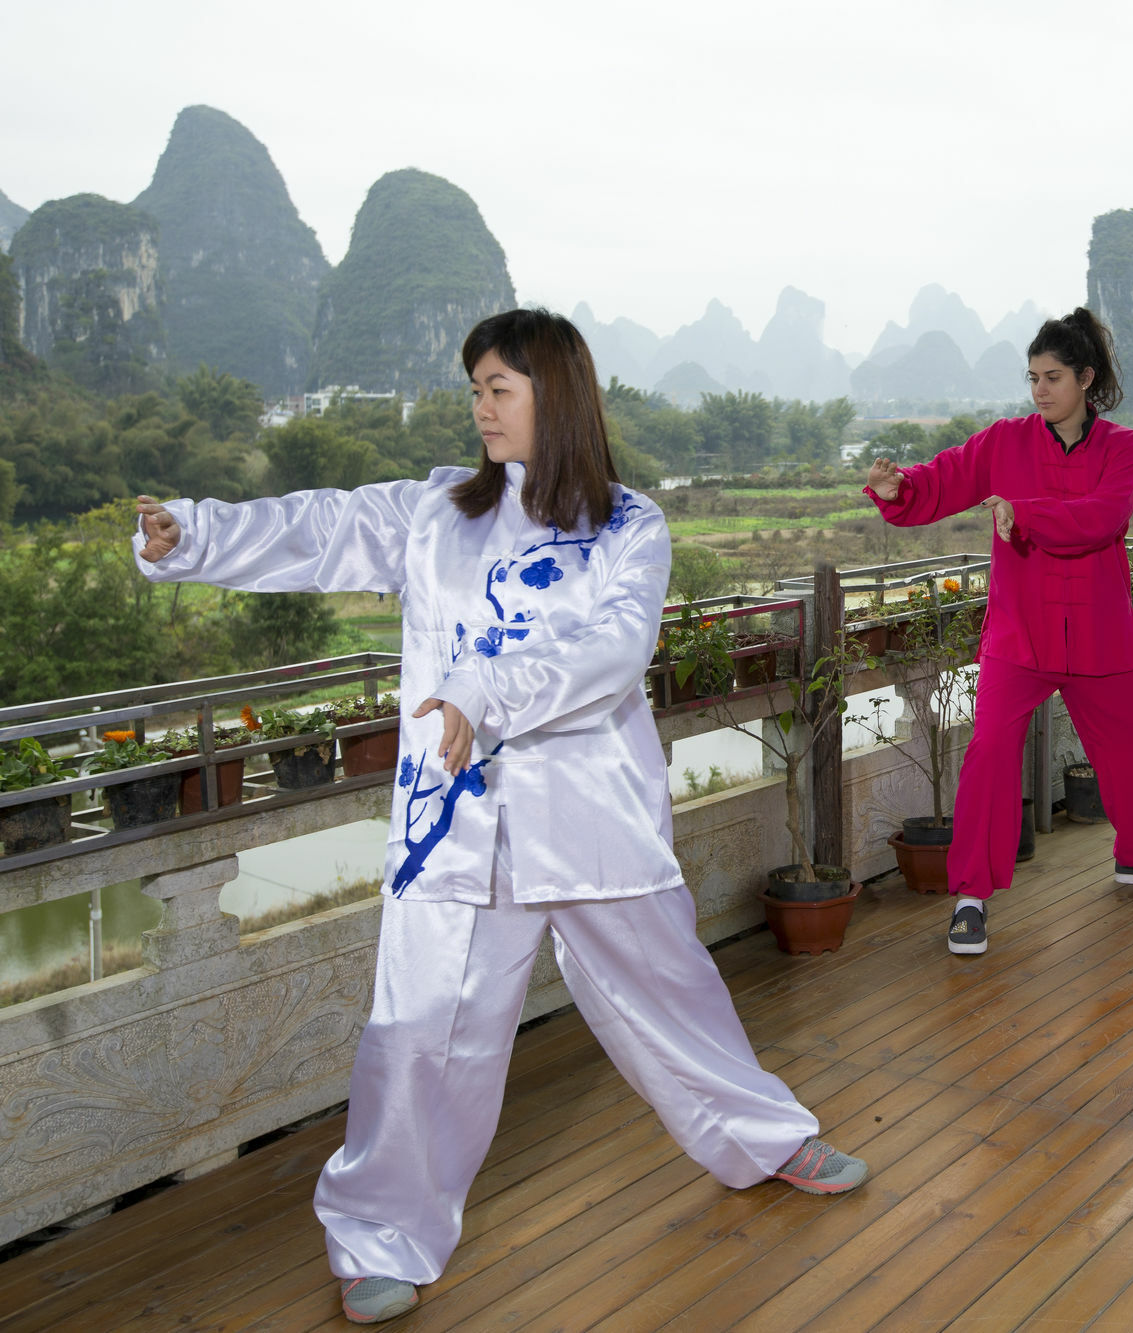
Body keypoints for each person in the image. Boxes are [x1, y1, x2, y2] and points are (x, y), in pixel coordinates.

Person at [133, 309, 864, 1326]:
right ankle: (380, 1234)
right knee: (422, 1028)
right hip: (453, 820)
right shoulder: (433, 511)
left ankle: (763, 1138)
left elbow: (615, 652)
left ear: (552, 394)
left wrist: (484, 689)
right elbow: (319, 524)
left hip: (592, 807)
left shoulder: (627, 524)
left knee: (669, 989)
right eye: (473, 387)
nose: (478, 406)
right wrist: (196, 532)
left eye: (497, 388)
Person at [865, 308, 1133, 958]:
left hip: (1101, 633)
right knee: (990, 752)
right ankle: (970, 898)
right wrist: (898, 487)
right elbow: (940, 481)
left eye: (1052, 376)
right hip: (1021, 634)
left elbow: (1103, 519)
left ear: (1086, 378)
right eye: (1032, 377)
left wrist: (1025, 514)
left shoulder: (1123, 449)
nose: (1040, 389)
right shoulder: (1002, 443)